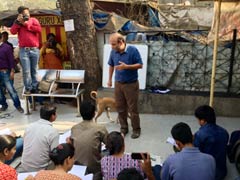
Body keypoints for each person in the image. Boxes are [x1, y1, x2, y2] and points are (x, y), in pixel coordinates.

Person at [107, 32, 143, 139]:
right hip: (118, 84)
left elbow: (140, 65)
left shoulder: (132, 50)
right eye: (111, 44)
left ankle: (136, 129)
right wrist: (109, 79)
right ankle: (124, 128)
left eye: (113, 44)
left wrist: (127, 67)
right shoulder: (113, 52)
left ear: (121, 42)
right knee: (120, 107)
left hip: (131, 84)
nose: (112, 46)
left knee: (133, 109)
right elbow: (111, 65)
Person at [69, 101, 108, 180]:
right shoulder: (100, 128)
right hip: (94, 168)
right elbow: (111, 144)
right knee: (110, 151)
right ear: (94, 113)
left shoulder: (74, 128)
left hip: (77, 166)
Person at [18, 104, 59, 172]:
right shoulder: (53, 132)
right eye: (56, 114)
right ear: (52, 116)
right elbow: (55, 153)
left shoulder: (29, 126)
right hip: (41, 168)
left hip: (25, 164)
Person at [10, 6, 41, 94]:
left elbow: (38, 29)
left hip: (34, 49)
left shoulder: (33, 20)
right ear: (21, 14)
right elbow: (12, 32)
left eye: (28, 13)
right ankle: (28, 88)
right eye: (25, 14)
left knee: (34, 70)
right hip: (24, 50)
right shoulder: (17, 22)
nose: (27, 15)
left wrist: (26, 24)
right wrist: (17, 22)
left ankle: (35, 87)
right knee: (26, 71)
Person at [193, 105, 229, 180]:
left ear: (202, 120)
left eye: (198, 120)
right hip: (222, 172)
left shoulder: (200, 135)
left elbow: (195, 154)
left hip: (207, 175)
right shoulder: (224, 132)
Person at [0, 32, 24, 113]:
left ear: (1, 39)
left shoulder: (6, 47)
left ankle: (18, 106)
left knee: (11, 90)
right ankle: (3, 105)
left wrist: (12, 71)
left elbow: (11, 60)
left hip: (5, 72)